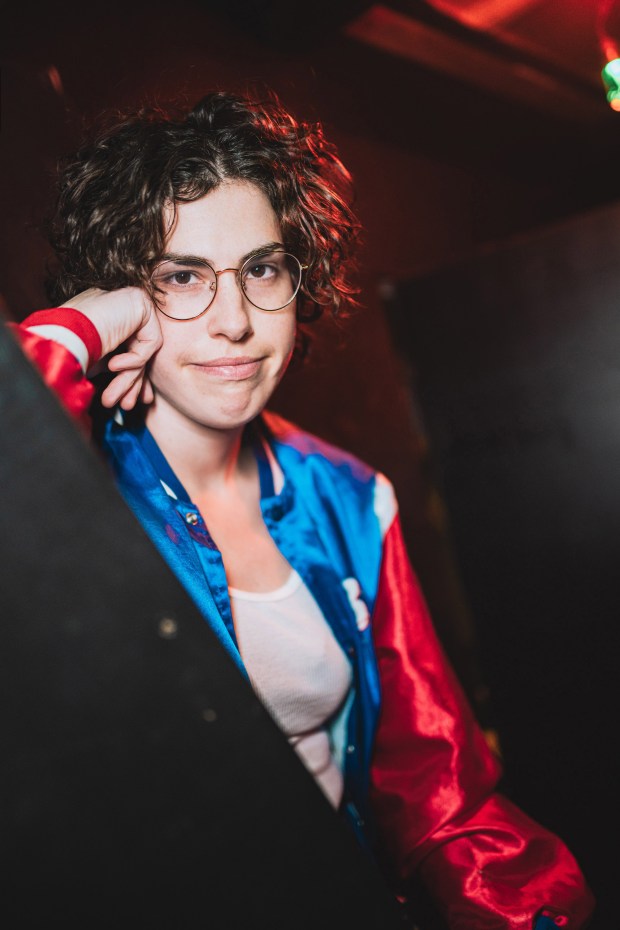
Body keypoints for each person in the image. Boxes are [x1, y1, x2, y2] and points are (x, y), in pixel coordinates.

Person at [9, 89, 594, 929]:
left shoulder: (349, 501)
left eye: (262, 269)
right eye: (181, 276)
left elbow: (442, 802)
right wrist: (79, 331)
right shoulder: (72, 485)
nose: (236, 321)